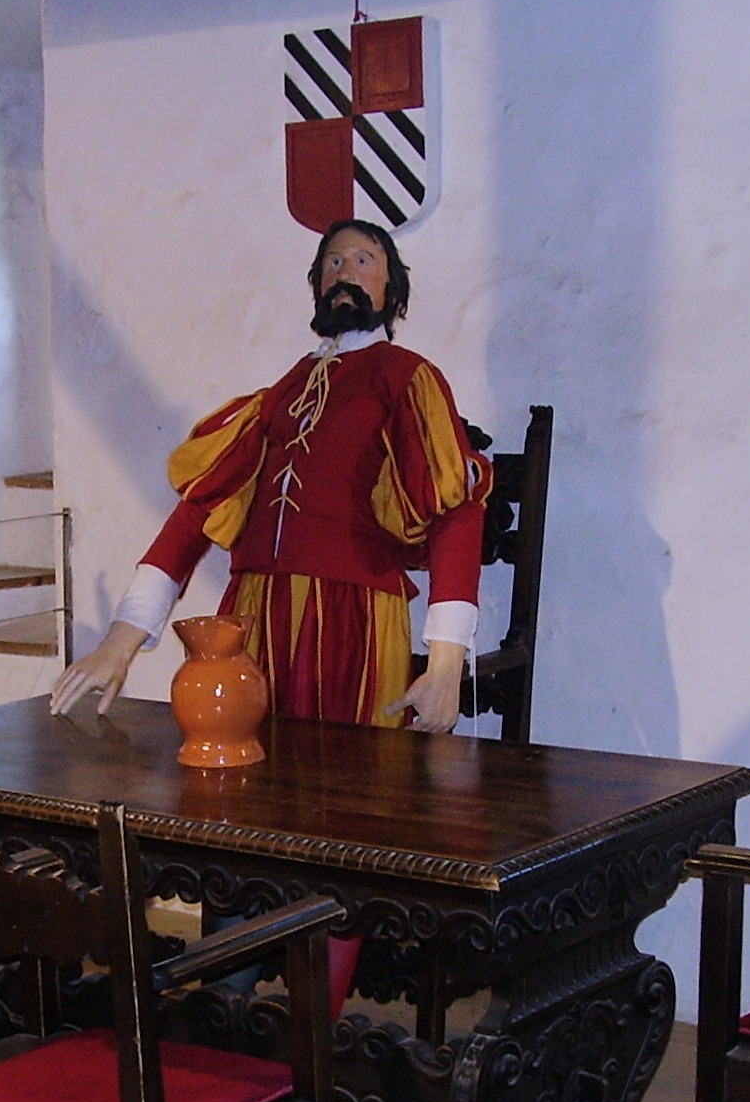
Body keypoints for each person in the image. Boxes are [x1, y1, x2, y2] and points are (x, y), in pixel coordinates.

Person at [50, 219, 493, 732]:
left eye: (363, 260)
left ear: (391, 289)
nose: (344, 271)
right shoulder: (279, 396)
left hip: (353, 616)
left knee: (351, 772)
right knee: (246, 760)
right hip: (254, 613)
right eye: (333, 262)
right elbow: (198, 510)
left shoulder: (407, 377)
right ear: (317, 285)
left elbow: (455, 509)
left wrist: (446, 663)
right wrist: (119, 642)